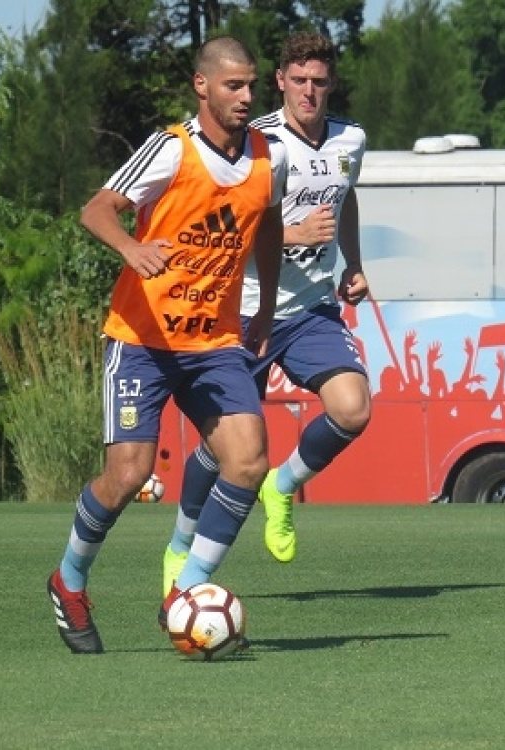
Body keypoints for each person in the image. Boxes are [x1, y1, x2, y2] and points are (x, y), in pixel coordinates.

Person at [46, 35, 287, 655]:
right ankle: (68, 580)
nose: (247, 96)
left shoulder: (269, 156)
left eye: (252, 85)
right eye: (234, 85)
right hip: (143, 341)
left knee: (248, 460)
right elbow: (96, 209)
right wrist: (131, 248)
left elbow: (269, 223)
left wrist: (264, 305)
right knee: (129, 475)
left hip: (214, 343)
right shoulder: (171, 149)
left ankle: (187, 590)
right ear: (202, 86)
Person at [164, 30, 370, 594]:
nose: (309, 91)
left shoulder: (351, 139)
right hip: (243, 311)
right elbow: (227, 226)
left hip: (309, 308)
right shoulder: (256, 142)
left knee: (353, 409)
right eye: (298, 80)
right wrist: (294, 233)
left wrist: (353, 263)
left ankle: (281, 486)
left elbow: (346, 196)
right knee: (220, 447)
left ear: (331, 83)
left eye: (319, 81)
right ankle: (179, 547)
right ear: (279, 80)